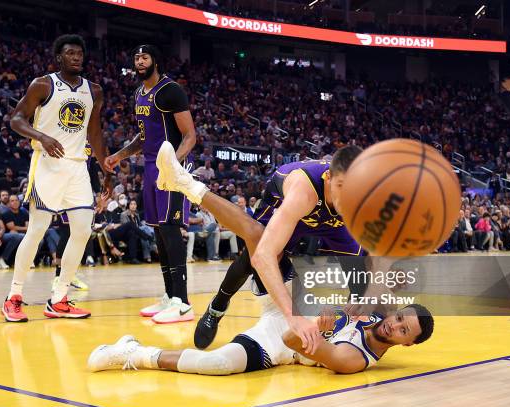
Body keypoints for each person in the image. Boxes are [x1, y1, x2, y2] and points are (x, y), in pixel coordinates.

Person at [156, 142, 372, 353]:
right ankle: (218, 304)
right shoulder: (303, 191)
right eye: (342, 186)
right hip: (283, 207)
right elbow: (262, 257)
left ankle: (182, 181)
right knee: (256, 244)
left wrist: (356, 305)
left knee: (358, 283)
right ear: (328, 177)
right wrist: (293, 317)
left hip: (327, 221)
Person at [1, 34, 111, 323]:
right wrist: (41, 136)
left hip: (77, 167)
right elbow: (16, 119)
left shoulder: (94, 90)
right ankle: (14, 296)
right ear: (59, 57)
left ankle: (59, 298)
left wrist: (105, 168)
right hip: (48, 163)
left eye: (80, 53)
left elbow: (95, 133)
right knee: (37, 231)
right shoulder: (43, 84)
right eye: (70, 53)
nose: (76, 57)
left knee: (83, 231)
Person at [88, 299, 434, 375]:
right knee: (266, 240)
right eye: (400, 319)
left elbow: (290, 339)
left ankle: (133, 353)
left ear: (407, 344)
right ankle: (190, 187)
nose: (395, 326)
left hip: (279, 338)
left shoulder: (354, 359)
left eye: (404, 331)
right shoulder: (379, 310)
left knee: (218, 363)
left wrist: (321, 331)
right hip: (292, 303)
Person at [104, 44, 196, 324]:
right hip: (150, 168)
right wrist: (119, 155)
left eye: (145, 57)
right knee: (158, 232)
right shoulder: (138, 95)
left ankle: (183, 303)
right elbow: (143, 137)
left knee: (170, 230)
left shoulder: (171, 91)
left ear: (155, 60)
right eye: (136, 58)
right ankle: (170, 297)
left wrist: (172, 163)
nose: (140, 61)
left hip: (171, 169)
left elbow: (190, 135)